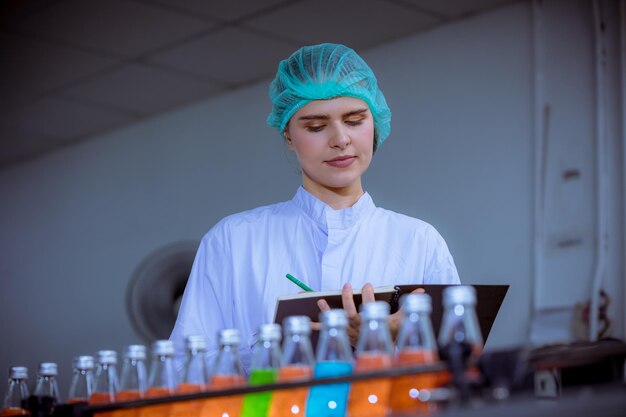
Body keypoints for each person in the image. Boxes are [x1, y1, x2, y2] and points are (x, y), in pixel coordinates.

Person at [169, 43, 460, 372]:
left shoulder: (419, 241)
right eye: (316, 127)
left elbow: (458, 370)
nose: (340, 139)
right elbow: (184, 368)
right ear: (288, 136)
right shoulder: (233, 240)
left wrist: (396, 339)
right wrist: (277, 352)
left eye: (354, 120)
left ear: (375, 121)